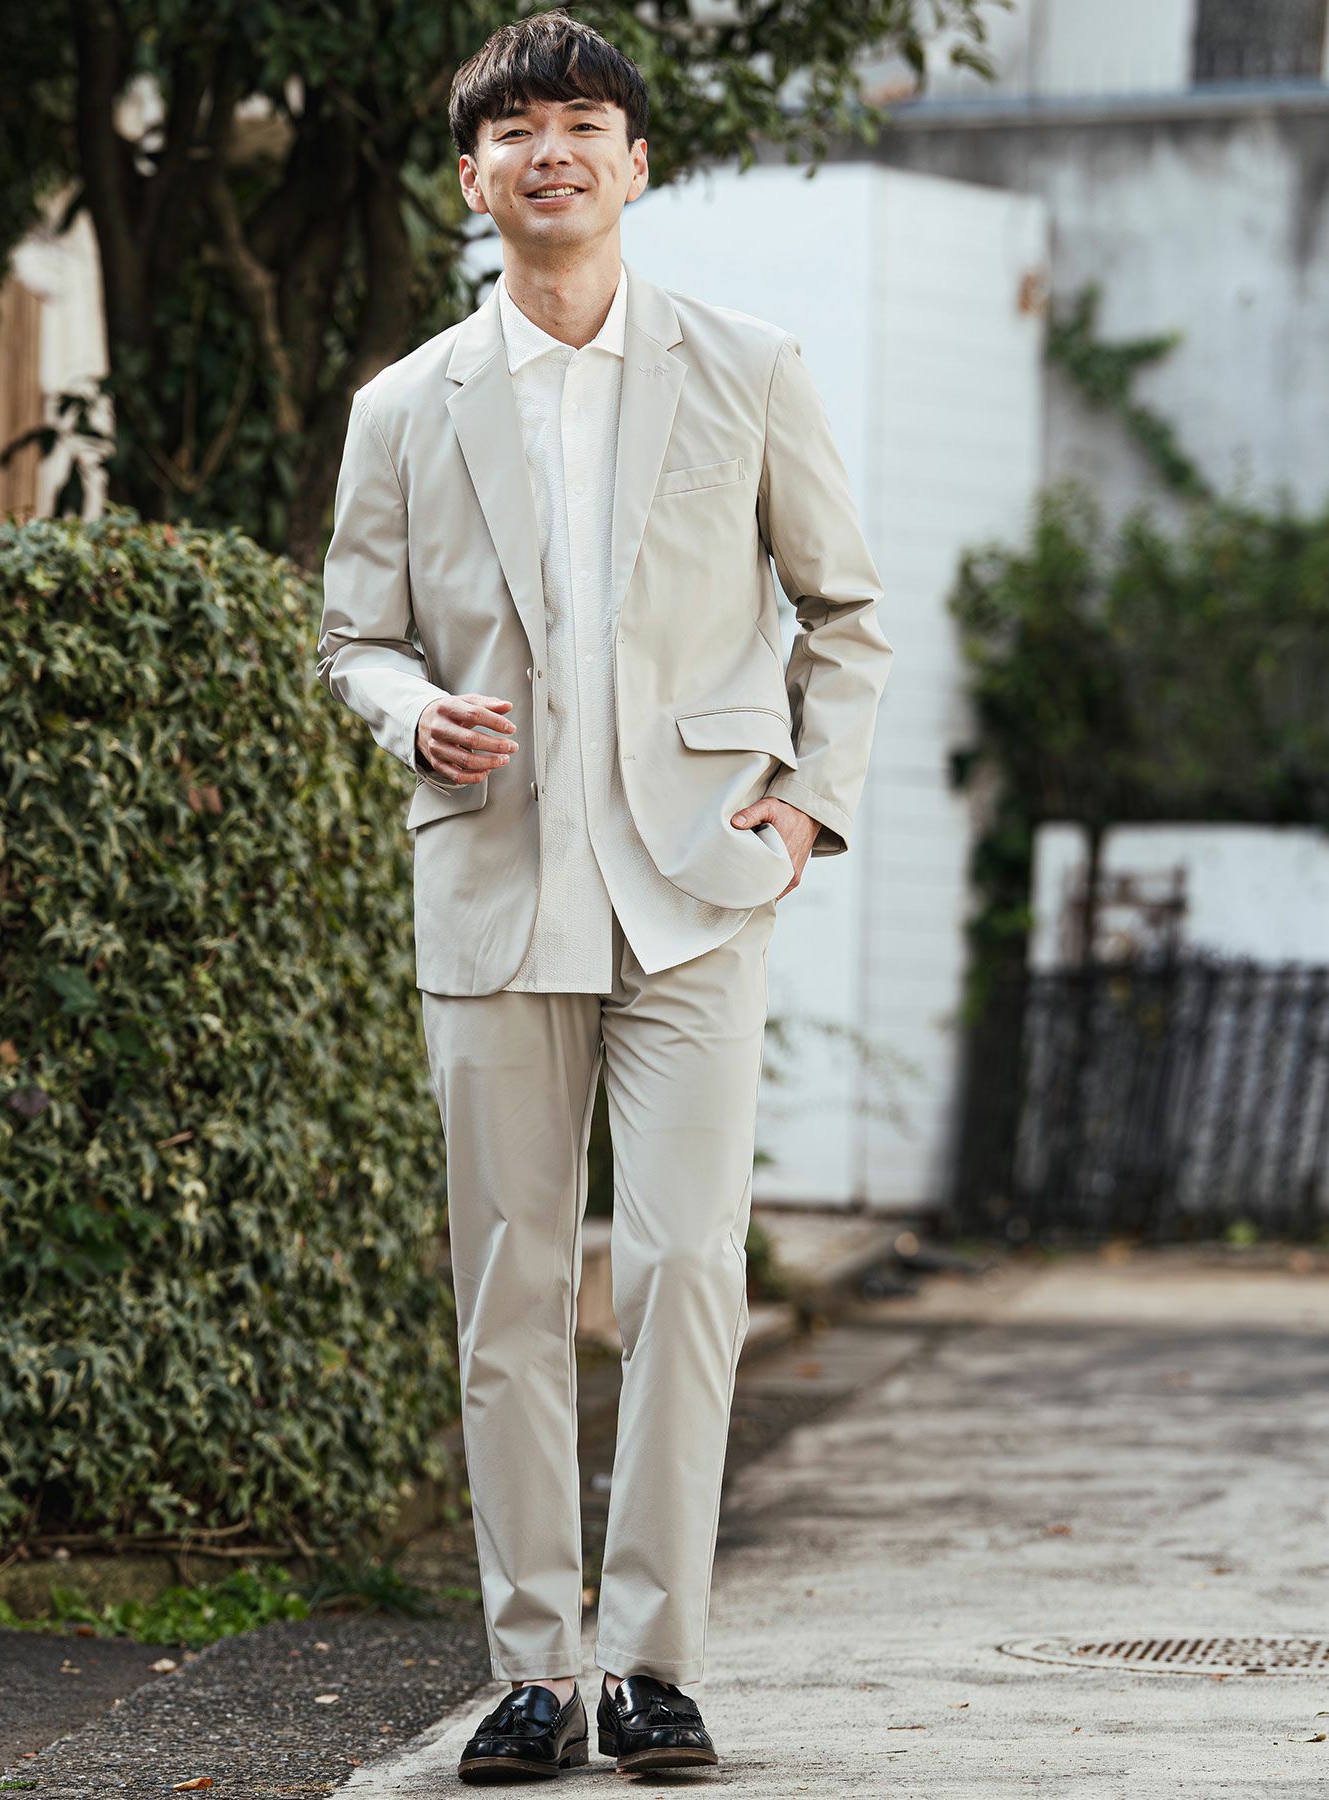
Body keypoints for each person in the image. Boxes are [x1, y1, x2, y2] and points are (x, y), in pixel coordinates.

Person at [316, 10, 891, 1783]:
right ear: (471, 178)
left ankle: (651, 1665)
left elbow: (845, 614)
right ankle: (531, 1677)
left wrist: (804, 812)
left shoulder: (749, 365)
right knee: (507, 1294)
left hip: (699, 888)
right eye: (516, 130)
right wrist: (412, 713)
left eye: (583, 123)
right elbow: (351, 638)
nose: (550, 150)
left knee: (685, 1271)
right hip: (495, 887)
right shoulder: (404, 407)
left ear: (636, 163)